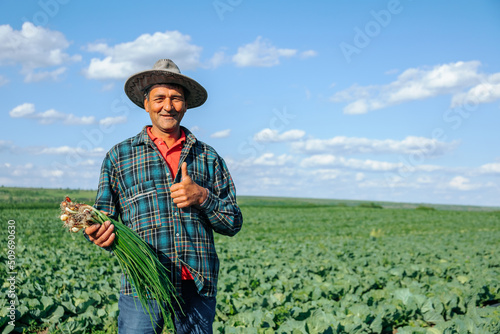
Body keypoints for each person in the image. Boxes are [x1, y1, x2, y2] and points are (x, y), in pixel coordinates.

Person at [84, 59, 243, 334]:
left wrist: (203, 196)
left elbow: (233, 222)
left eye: (176, 98)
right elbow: (104, 218)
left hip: (197, 282)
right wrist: (97, 233)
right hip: (142, 284)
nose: (168, 106)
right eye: (159, 98)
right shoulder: (119, 157)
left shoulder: (208, 157)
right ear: (146, 104)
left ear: (186, 104)